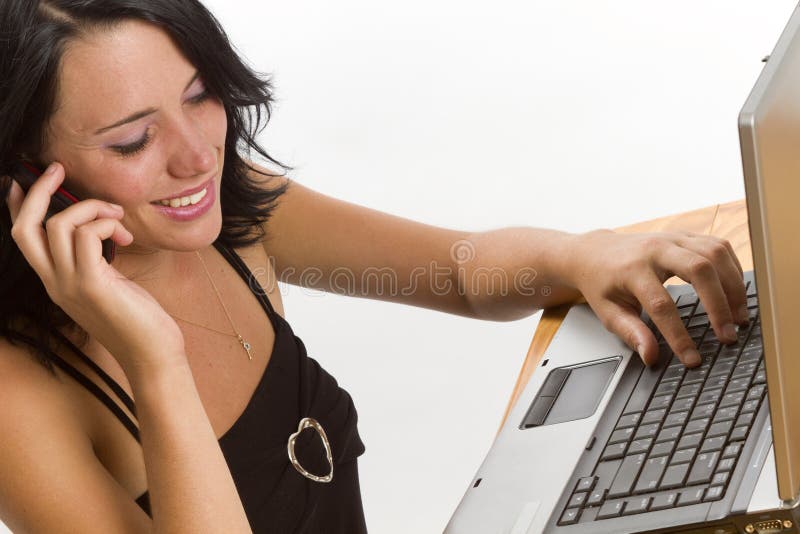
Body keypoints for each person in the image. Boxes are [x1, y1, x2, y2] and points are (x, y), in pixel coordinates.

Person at [0, 1, 750, 532]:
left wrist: (580, 251)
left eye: (201, 97)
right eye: (133, 142)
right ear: (30, 174)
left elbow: (455, 274)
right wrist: (156, 364)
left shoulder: (225, 208)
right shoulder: (17, 397)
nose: (199, 155)